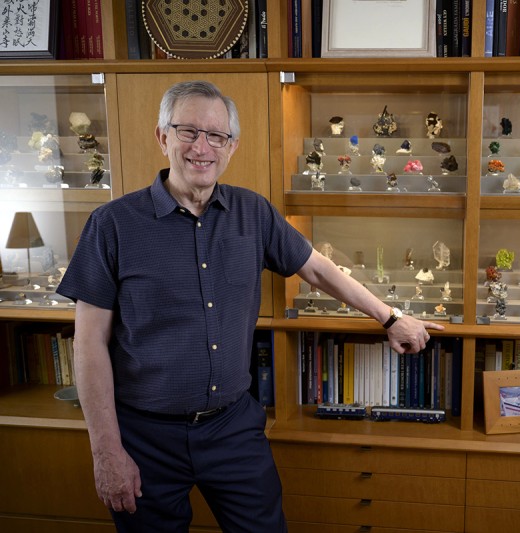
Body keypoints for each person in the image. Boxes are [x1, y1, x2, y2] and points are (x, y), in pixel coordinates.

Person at [56, 80, 443, 532]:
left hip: (232, 429)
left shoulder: (252, 213)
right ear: (163, 137)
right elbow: (88, 345)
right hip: (144, 437)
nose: (202, 147)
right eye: (188, 132)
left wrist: (390, 317)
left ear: (231, 146)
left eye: (216, 136)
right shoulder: (112, 224)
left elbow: (317, 269)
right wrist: (106, 451)